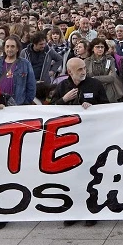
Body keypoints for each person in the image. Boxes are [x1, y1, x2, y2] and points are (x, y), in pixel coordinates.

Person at [50, 57, 108, 228]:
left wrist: (93, 107)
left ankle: (92, 210)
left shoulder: (95, 85)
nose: (84, 71)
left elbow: (108, 107)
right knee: (72, 176)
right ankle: (73, 211)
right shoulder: (62, 87)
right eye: (79, 69)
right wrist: (64, 100)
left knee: (92, 175)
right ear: (70, 72)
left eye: (84, 68)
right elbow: (50, 109)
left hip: (91, 137)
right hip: (69, 139)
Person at [82, 37, 123, 103]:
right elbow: (86, 78)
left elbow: (112, 77)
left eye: (102, 47)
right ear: (92, 48)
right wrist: (105, 77)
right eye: (97, 47)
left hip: (109, 92)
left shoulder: (110, 59)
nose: (100, 49)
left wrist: (94, 78)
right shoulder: (87, 61)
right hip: (93, 91)